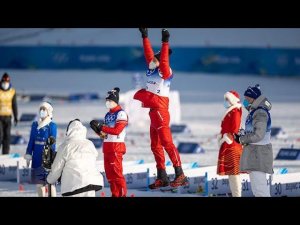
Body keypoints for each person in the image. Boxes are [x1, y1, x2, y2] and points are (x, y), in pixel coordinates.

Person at [133, 28, 188, 189]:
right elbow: (148, 54)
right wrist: (145, 37)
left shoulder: (166, 71)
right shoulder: (152, 68)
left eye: (156, 59)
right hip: (153, 111)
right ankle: (162, 176)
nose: (152, 59)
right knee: (155, 145)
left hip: (161, 110)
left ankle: (180, 174)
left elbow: (163, 61)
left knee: (167, 143)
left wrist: (165, 42)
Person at [234, 84, 273, 197]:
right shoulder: (254, 112)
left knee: (260, 189)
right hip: (254, 153)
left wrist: (241, 139)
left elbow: (259, 135)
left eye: (247, 98)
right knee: (256, 188)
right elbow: (254, 132)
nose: (245, 100)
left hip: (259, 154)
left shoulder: (260, 113)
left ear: (253, 98)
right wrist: (243, 134)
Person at [47, 119, 103, 197]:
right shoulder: (89, 144)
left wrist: (50, 179)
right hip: (92, 183)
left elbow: (57, 169)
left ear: (69, 131)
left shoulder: (65, 146)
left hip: (73, 186)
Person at [90, 87, 128, 197]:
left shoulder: (121, 114)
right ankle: (114, 195)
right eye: (106, 101)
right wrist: (98, 130)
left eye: (110, 101)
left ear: (115, 101)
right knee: (110, 176)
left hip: (116, 146)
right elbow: (105, 135)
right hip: (107, 147)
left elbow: (117, 131)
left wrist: (101, 127)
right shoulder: (107, 115)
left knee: (117, 175)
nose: (107, 102)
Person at [24, 101, 57, 187]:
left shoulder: (52, 126)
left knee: (49, 185)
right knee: (38, 185)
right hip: (36, 158)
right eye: (41, 109)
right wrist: (28, 154)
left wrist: (50, 158)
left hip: (46, 158)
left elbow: (52, 144)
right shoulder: (35, 125)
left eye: (44, 109)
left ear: (49, 111)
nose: (42, 111)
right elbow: (31, 140)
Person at [217, 91, 243, 197]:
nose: (225, 102)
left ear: (232, 100)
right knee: (231, 175)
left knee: (234, 174)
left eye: (227, 99)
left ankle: (237, 195)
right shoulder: (230, 112)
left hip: (232, 145)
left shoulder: (235, 112)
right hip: (228, 144)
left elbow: (234, 129)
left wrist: (226, 138)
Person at [0, 72, 18, 155]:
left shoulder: (12, 91)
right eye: (4, 82)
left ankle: (5, 155)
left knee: (7, 137)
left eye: (7, 82)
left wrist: (16, 117)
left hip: (8, 117)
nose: (5, 84)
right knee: (0, 136)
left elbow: (14, 105)